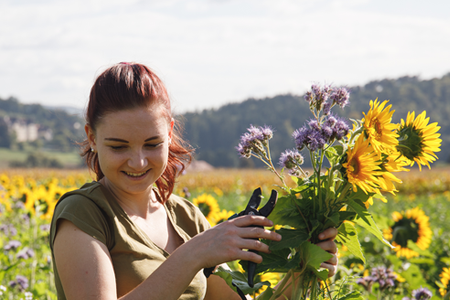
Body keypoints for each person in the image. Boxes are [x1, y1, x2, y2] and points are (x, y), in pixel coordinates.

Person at [49, 62, 338, 300]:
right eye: (118, 146)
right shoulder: (83, 214)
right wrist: (192, 254)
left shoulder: (186, 218)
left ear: (170, 132)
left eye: (152, 144)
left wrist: (300, 273)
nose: (138, 162)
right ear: (92, 137)